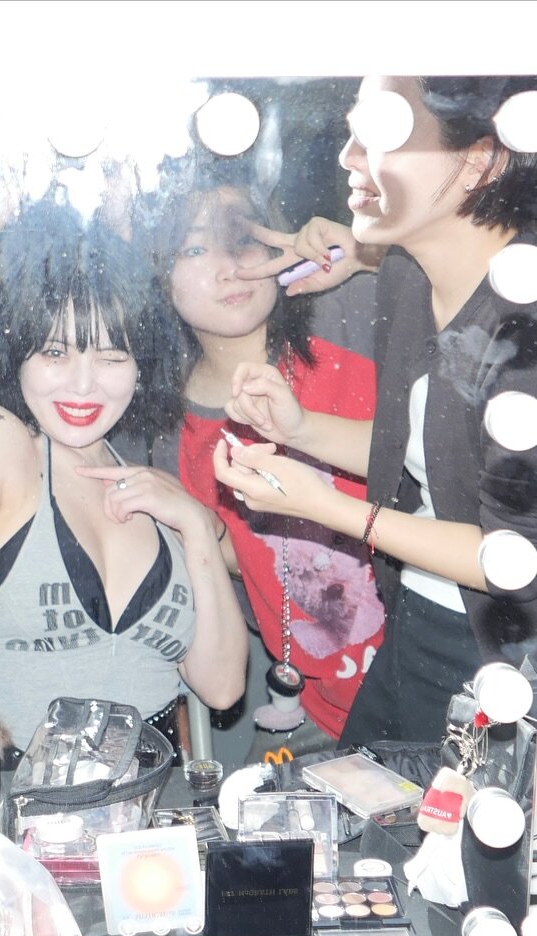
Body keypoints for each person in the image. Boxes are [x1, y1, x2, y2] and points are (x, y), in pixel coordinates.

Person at [216, 75, 537, 754]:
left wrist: (331, 509)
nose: (348, 156)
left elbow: (518, 556)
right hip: (414, 621)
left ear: (480, 159)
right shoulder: (407, 277)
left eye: (380, 133)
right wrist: (298, 429)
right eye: (353, 130)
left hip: (500, 657)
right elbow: (426, 451)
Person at [0, 201, 247, 754]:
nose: (82, 385)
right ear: (18, 355)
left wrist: (197, 527)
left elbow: (222, 687)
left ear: (140, 367)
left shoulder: (156, 493)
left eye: (112, 357)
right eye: (55, 352)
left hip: (156, 798)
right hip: (16, 790)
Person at [141, 172, 385, 755]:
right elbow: (246, 578)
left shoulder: (350, 314)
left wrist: (369, 254)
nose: (230, 267)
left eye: (244, 239)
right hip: (312, 717)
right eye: (195, 248)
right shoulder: (167, 434)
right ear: (157, 275)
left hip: (434, 680)